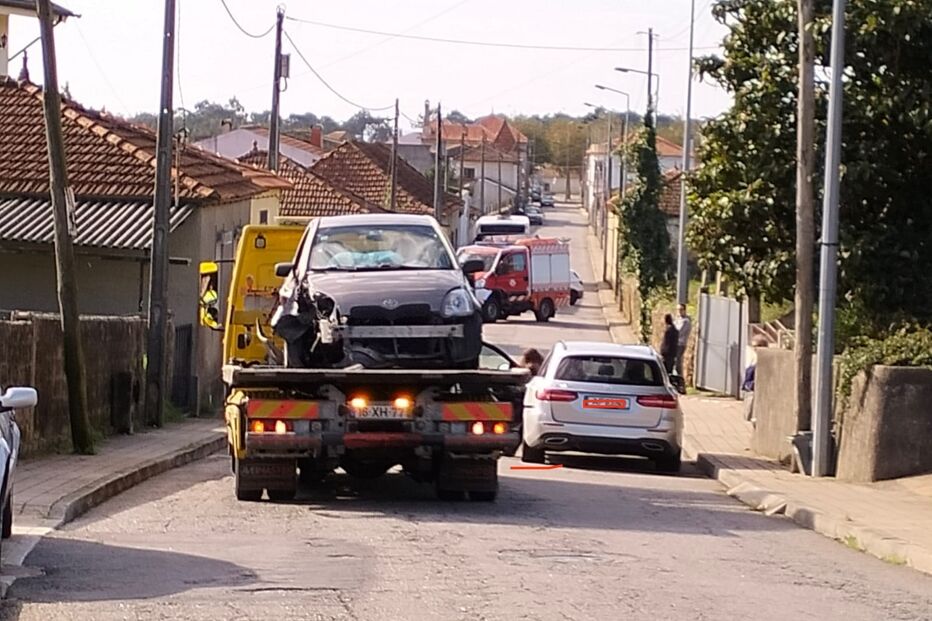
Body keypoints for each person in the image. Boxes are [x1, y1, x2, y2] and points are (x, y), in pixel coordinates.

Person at [673, 303, 692, 377]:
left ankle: (680, 378)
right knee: (675, 361)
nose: (679, 311)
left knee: (678, 361)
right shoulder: (678, 319)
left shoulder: (685, 321)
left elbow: (678, 331)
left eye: (681, 310)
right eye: (678, 310)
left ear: (684, 310)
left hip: (680, 343)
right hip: (676, 343)